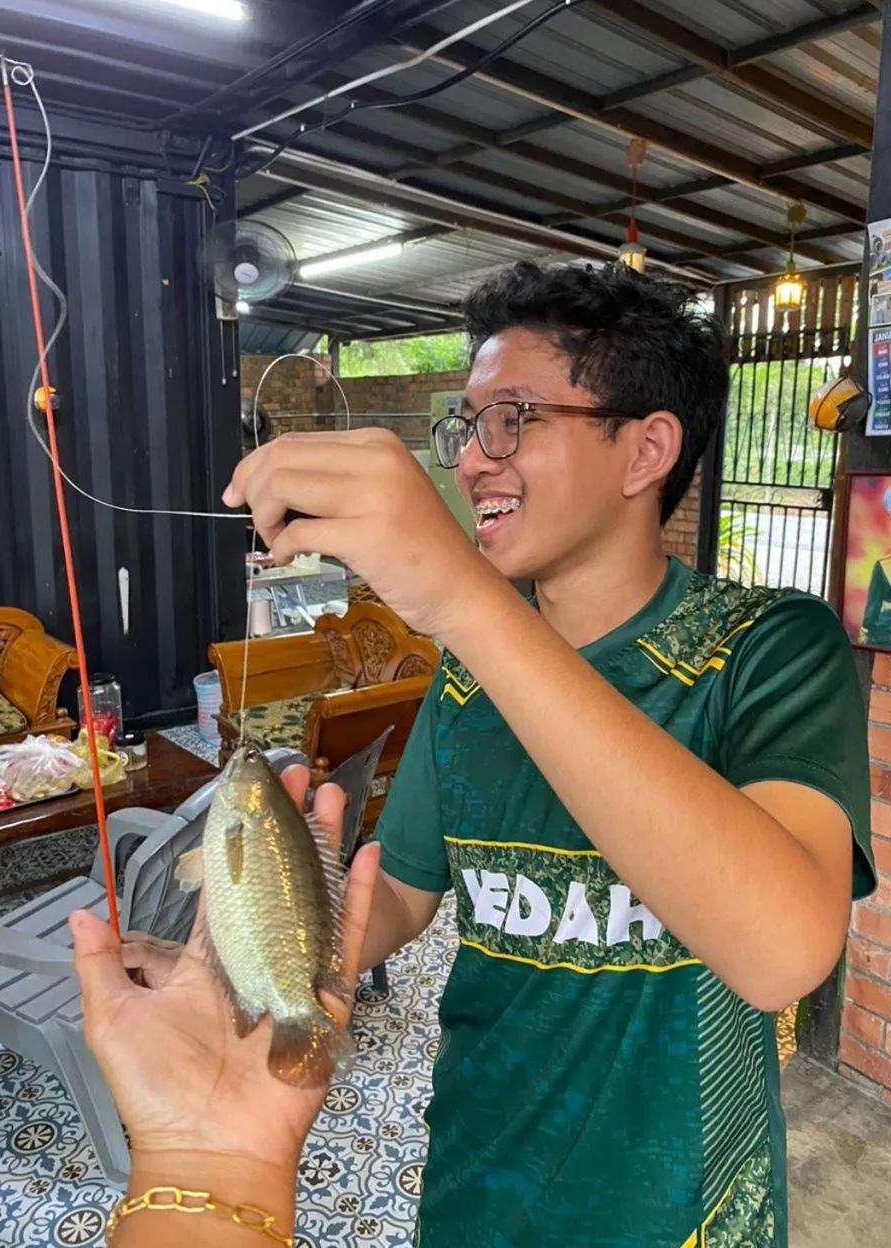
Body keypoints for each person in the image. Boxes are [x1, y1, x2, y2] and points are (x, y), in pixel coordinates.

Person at [218, 262, 875, 1248]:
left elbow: (782, 950)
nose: (476, 460)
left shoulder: (769, 649)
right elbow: (404, 887)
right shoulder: (472, 671)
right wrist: (273, 934)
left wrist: (462, 600)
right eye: (468, 424)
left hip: (684, 1214)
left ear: (646, 448)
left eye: (513, 418)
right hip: (479, 1187)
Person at [70, 765, 379, 1246]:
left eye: (246, 766)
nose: (241, 762)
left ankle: (291, 1009)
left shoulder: (239, 821)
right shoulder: (239, 824)